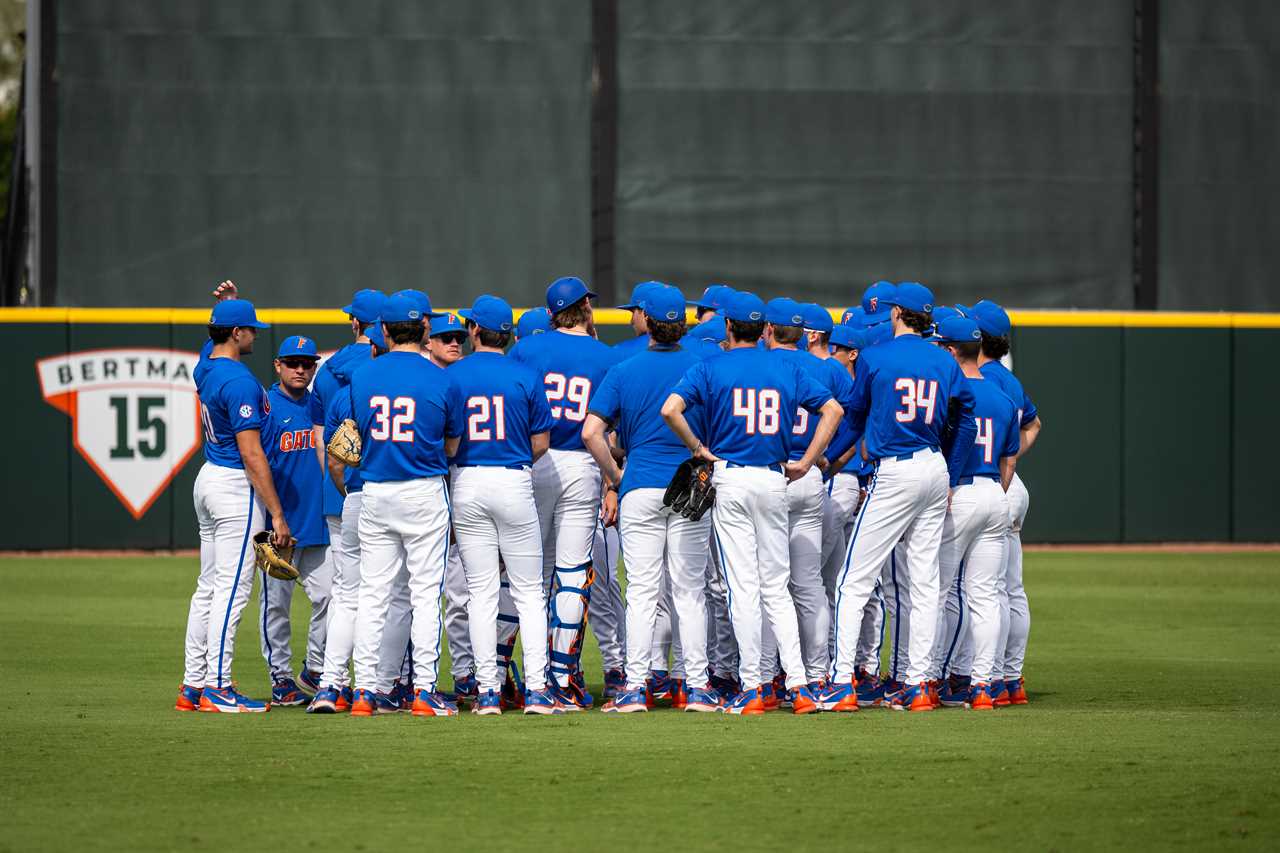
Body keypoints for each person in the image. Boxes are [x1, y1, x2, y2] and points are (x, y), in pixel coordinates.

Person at [661, 291, 843, 715]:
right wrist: (809, 460)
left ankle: (754, 686)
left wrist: (698, 447)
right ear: (762, 329)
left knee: (744, 589)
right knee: (777, 588)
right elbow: (832, 410)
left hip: (734, 479)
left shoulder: (710, 366)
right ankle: (798, 685)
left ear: (728, 327)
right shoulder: (783, 364)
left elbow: (671, 409)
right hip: (775, 478)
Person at [822, 283, 977, 713]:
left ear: (897, 314)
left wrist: (827, 460)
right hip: (932, 467)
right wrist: (951, 471)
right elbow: (966, 419)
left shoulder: (875, 356)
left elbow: (853, 420)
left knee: (853, 579)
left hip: (895, 471)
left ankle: (839, 681)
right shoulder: (943, 361)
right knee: (925, 583)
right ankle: (919, 684)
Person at [583, 284, 722, 713]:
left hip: (641, 483)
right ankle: (696, 686)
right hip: (690, 482)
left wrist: (615, 477)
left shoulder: (625, 367)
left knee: (642, 592)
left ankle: (635, 687)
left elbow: (590, 432)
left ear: (646, 320)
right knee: (690, 590)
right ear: (681, 323)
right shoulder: (704, 364)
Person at [331, 292, 465, 718]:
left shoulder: (363, 377)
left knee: (373, 593)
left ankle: (365, 692)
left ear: (384, 330)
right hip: (424, 487)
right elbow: (452, 443)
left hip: (375, 490)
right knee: (426, 594)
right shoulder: (442, 377)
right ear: (425, 328)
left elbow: (351, 437)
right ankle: (424, 689)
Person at [448, 294, 561, 715]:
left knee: (480, 594)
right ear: (509, 334)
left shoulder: (454, 375)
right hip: (513, 477)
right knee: (530, 592)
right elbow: (541, 442)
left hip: (468, 479)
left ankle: (488, 693)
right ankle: (537, 690)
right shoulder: (525, 375)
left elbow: (449, 442)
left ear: (474, 330)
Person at [510, 276, 617, 709]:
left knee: (524, 576)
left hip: (534, 461)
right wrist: (612, 481)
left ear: (552, 312)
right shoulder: (605, 356)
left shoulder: (526, 351)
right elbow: (607, 429)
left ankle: (505, 675)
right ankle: (561, 677)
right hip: (583, 462)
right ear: (585, 309)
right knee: (572, 576)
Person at [177, 296, 288, 713]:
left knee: (207, 588)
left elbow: (211, 345)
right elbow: (252, 455)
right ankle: (218, 686)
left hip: (207, 481)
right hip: (234, 487)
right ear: (236, 333)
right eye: (250, 328)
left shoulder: (206, 366)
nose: (255, 333)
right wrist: (275, 511)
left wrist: (224, 308)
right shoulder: (238, 381)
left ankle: (192, 684)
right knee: (232, 590)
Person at [925, 316, 1020, 710]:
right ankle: (984, 685)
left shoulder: (950, 393)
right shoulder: (1002, 397)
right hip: (995, 493)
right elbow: (1010, 458)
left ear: (950, 351)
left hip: (959, 491)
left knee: (938, 590)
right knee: (985, 595)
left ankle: (930, 677)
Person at [307, 288, 386, 711]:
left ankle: (330, 683)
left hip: (342, 492)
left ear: (357, 324)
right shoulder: (390, 369)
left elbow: (325, 443)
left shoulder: (328, 373)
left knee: (346, 592)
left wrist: (338, 485)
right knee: (389, 594)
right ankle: (381, 684)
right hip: (385, 488)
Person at [966, 299, 1041, 706]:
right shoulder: (1008, 380)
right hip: (1010, 487)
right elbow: (1035, 424)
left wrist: (996, 464)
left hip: (986, 483)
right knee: (1010, 588)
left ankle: (984, 677)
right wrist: (1009, 458)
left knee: (978, 590)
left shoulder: (977, 376)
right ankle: (1011, 679)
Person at [257, 335, 333, 706]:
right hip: (281, 527)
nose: (301, 369)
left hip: (319, 526)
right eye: (293, 362)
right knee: (276, 607)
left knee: (332, 598)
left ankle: (315, 668)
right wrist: (275, 518)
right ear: (278, 366)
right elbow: (257, 469)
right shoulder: (267, 408)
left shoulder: (320, 407)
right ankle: (280, 678)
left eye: (307, 363)